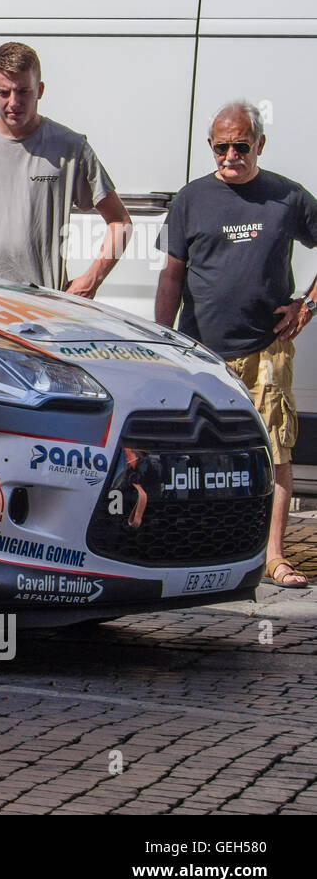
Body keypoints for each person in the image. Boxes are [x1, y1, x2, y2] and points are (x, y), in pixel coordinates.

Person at [155, 100, 317, 589]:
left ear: (259, 145)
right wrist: (163, 343)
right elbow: (171, 275)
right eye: (221, 146)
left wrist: (307, 305)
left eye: (240, 146)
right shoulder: (190, 199)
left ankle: (272, 556)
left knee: (275, 450)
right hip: (202, 354)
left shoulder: (286, 197)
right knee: (195, 456)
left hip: (268, 347)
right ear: (211, 147)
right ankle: (195, 548)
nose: (230, 155)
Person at [0, 41, 132, 296]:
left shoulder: (70, 148)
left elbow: (121, 222)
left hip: (44, 307)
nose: (13, 102)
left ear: (39, 90)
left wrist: (91, 279)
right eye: (4, 93)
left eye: (23, 91)